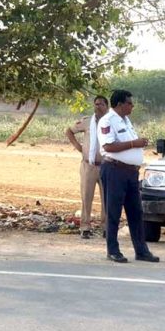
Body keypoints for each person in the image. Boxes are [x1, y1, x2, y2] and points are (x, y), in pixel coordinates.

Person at [97, 90, 159, 263]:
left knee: (136, 212)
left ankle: (141, 250)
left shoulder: (126, 120)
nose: (132, 106)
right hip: (115, 170)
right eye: (129, 103)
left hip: (131, 172)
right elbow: (108, 146)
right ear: (119, 104)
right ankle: (113, 250)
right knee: (113, 212)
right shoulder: (107, 121)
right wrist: (134, 143)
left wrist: (137, 144)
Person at [65, 95, 109, 239]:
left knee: (107, 198)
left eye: (101, 104)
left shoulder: (112, 122)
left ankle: (106, 227)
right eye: (96, 104)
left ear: (107, 106)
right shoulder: (87, 122)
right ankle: (85, 227)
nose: (98, 106)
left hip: (106, 165)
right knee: (86, 197)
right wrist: (79, 147)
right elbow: (69, 131)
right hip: (88, 165)